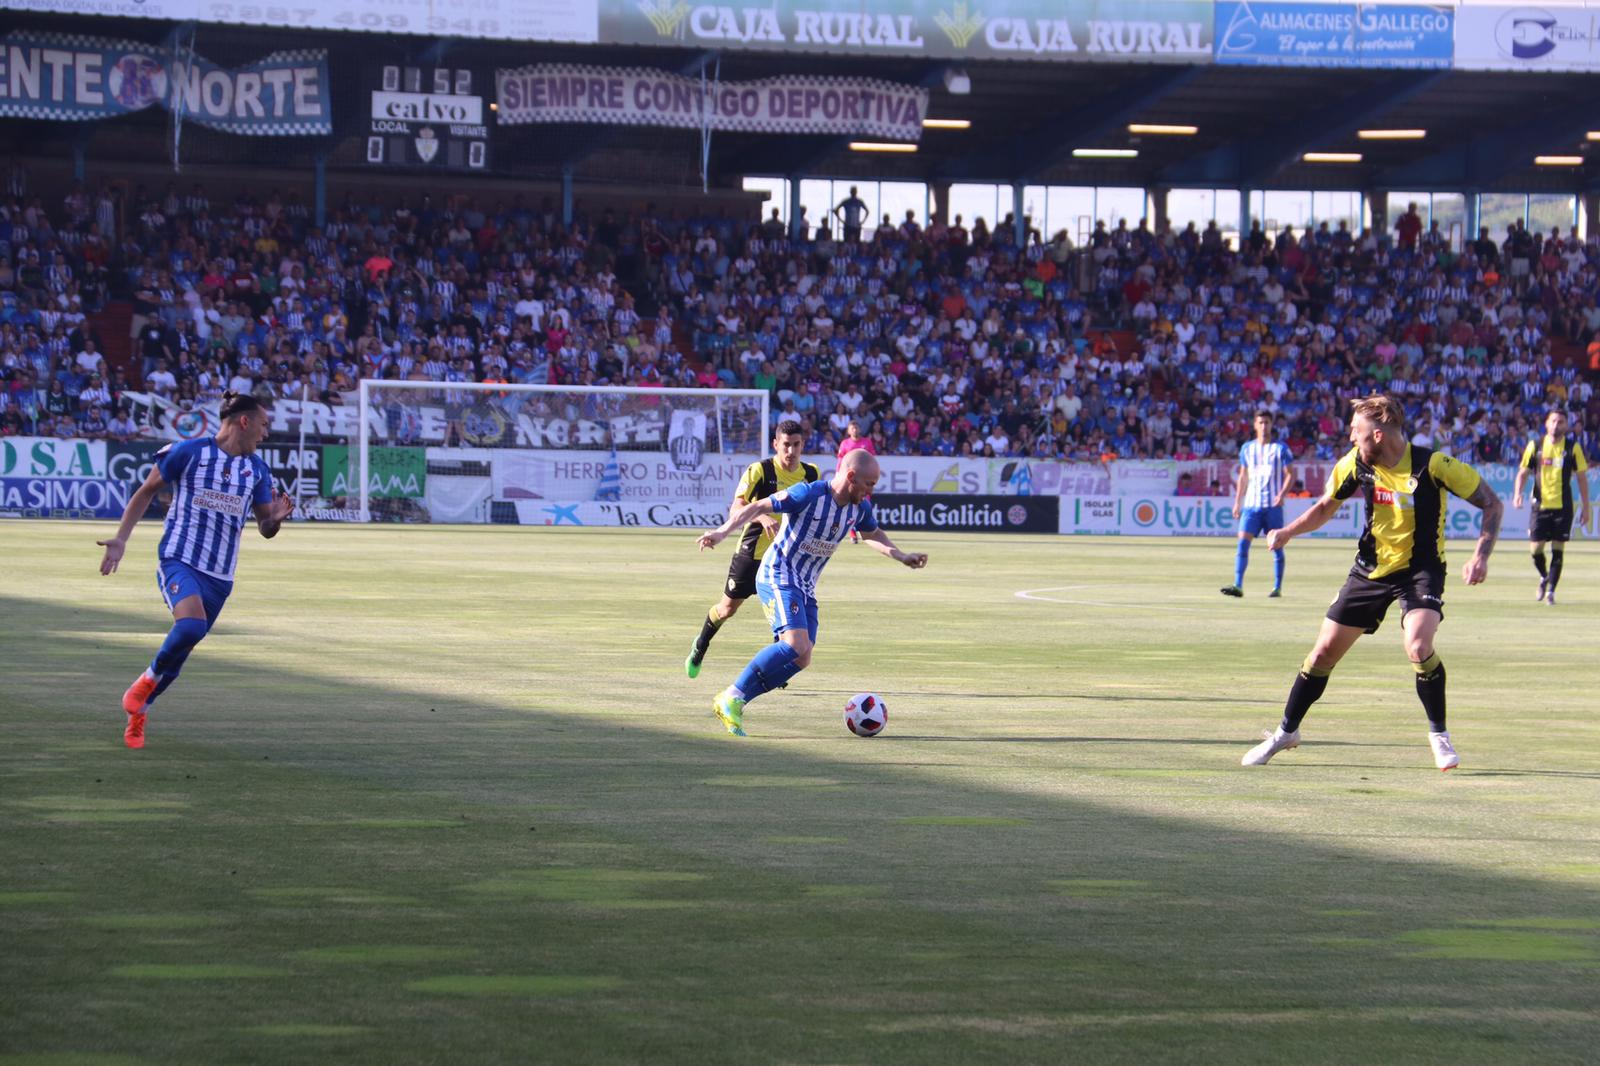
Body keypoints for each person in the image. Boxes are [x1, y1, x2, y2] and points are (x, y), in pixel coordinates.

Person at [1241, 395, 1502, 772]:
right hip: (1369, 570)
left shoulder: (1435, 465)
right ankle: (1286, 733)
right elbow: (1325, 508)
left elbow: (1492, 504)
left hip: (1420, 570)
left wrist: (1481, 555)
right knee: (1322, 654)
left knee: (1418, 644)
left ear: (1377, 434)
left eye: (1356, 431)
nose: (1350, 437)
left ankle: (1439, 735)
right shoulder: (1356, 464)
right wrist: (1287, 532)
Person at [96, 391, 295, 749]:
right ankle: (143, 683)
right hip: (179, 559)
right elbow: (145, 491)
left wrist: (275, 521)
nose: (266, 434)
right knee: (190, 626)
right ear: (243, 422)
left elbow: (265, 526)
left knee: (181, 653)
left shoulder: (257, 470)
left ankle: (140, 709)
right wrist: (121, 539)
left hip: (220, 577)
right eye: (264, 425)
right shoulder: (188, 453)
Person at [693, 450, 927, 736]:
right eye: (870, 483)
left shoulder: (858, 508)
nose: (872, 490)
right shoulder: (809, 493)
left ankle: (735, 701)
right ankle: (732, 696)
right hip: (778, 573)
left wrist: (901, 556)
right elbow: (757, 507)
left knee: (802, 657)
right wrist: (721, 532)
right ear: (851, 476)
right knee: (794, 643)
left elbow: (872, 534)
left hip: (804, 584)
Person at [685, 420, 819, 678]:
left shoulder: (811, 474)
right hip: (753, 554)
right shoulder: (760, 470)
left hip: (787, 561)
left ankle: (774, 672)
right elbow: (736, 508)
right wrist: (761, 517)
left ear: (803, 445)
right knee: (727, 609)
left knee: (788, 622)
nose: (791, 452)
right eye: (786, 445)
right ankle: (700, 645)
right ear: (775, 445)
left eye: (796, 445)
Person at [1513, 409, 1590, 605]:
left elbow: (1581, 478)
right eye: (1553, 421)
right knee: (1536, 549)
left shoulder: (1573, 448)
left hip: (1563, 507)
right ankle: (1544, 576)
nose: (1556, 425)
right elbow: (1523, 473)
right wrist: (1517, 494)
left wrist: (1586, 506)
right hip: (1540, 506)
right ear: (1546, 423)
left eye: (1561, 422)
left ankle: (1551, 592)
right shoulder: (1536, 445)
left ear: (1566, 425)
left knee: (1558, 549)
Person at [1222, 410, 1296, 598]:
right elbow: (1243, 476)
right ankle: (1238, 585)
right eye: (1261, 422)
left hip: (1272, 506)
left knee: (1276, 546)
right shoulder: (1247, 448)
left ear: (1272, 425)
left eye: (1267, 422)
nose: (1264, 426)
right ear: (1255, 425)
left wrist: (1281, 494)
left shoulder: (1280, 448)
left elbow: (1291, 474)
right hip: (1251, 506)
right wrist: (1238, 502)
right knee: (1242, 545)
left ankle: (1277, 587)